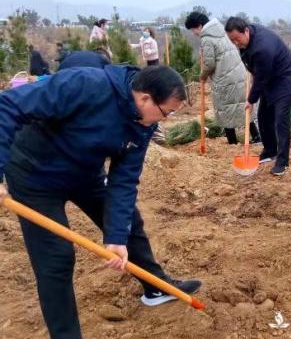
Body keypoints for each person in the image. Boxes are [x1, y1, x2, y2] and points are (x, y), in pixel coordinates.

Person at [0, 65, 202, 338]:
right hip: (34, 176)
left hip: (85, 174)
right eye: (167, 112)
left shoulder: (142, 125)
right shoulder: (84, 84)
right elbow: (9, 105)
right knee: (56, 258)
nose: (164, 120)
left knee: (130, 222)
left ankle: (155, 287)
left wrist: (116, 237)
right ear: (144, 98)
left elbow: (124, 181)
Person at [225, 16, 291, 176]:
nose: (236, 44)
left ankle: (282, 162)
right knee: (264, 116)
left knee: (280, 119)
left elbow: (260, 79)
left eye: (237, 39)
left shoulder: (262, 48)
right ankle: (270, 151)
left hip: (285, 78)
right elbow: (257, 73)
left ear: (246, 31)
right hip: (270, 78)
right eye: (233, 41)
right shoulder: (249, 34)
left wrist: (251, 100)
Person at [184, 12, 260, 145]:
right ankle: (256, 137)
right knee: (242, 105)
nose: (194, 33)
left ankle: (232, 142)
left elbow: (209, 64)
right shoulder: (222, 31)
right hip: (239, 74)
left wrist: (202, 76)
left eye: (193, 29)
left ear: (199, 26)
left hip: (224, 79)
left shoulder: (207, 39)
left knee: (225, 110)